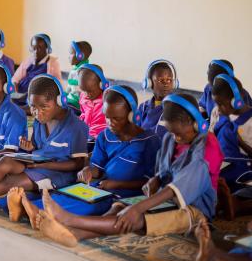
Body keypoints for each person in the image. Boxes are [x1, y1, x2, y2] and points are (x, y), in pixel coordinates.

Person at [17, 94, 221, 249]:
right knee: (118, 208)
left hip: (193, 209)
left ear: (195, 123)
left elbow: (175, 189)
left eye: (178, 132)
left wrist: (139, 208)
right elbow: (163, 173)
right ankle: (74, 234)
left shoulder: (204, 151)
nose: (174, 137)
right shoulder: (170, 138)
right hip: (163, 198)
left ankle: (69, 220)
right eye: (170, 131)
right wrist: (156, 180)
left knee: (135, 218)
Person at [5, 86, 160, 219]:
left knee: (90, 206)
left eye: (116, 118)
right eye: (106, 117)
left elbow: (150, 183)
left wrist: (116, 183)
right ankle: (31, 210)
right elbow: (97, 168)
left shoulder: (149, 141)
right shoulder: (105, 136)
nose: (110, 123)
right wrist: (88, 171)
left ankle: (34, 212)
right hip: (101, 186)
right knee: (65, 195)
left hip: (126, 192)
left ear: (132, 115)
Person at [0, 74, 88, 204]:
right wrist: (30, 148)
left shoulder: (76, 127)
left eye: (43, 107)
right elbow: (37, 148)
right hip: (36, 162)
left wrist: (42, 166)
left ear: (60, 101)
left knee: (11, 181)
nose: (37, 113)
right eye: (33, 107)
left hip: (58, 174)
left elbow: (77, 164)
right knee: (6, 160)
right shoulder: (39, 122)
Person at [199, 60, 252, 131]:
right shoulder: (209, 88)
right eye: (212, 86)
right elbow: (203, 107)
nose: (213, 89)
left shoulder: (240, 95)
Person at [11, 33, 61, 106]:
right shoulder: (28, 60)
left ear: (48, 49)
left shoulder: (52, 63)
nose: (36, 51)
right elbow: (15, 78)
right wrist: (15, 91)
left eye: (40, 48)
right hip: (21, 93)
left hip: (37, 95)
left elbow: (57, 84)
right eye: (34, 48)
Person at [138, 59, 179, 134]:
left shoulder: (177, 108)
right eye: (161, 80)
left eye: (169, 80)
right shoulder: (143, 107)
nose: (166, 84)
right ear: (150, 83)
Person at [78, 64, 109, 142]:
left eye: (90, 91)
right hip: (85, 133)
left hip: (100, 137)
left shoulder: (108, 101)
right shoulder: (83, 97)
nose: (87, 94)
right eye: (83, 90)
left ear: (101, 85)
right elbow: (83, 113)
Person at [65, 41, 92, 114]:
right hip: (70, 99)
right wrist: (64, 94)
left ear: (80, 56)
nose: (68, 57)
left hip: (78, 103)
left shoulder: (85, 71)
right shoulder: (74, 69)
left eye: (71, 54)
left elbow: (84, 90)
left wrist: (74, 88)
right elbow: (69, 87)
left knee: (63, 111)